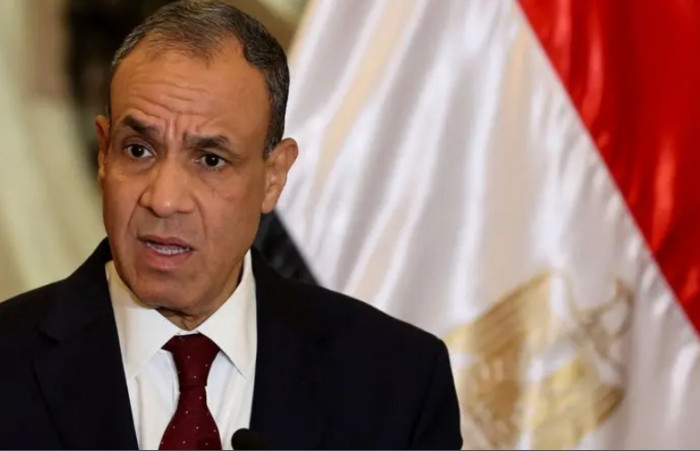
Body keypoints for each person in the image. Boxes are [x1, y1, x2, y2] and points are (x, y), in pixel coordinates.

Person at [0, 1, 462, 449]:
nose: (164, 200)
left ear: (273, 177)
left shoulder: (397, 381)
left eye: (210, 160)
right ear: (104, 153)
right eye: (138, 150)